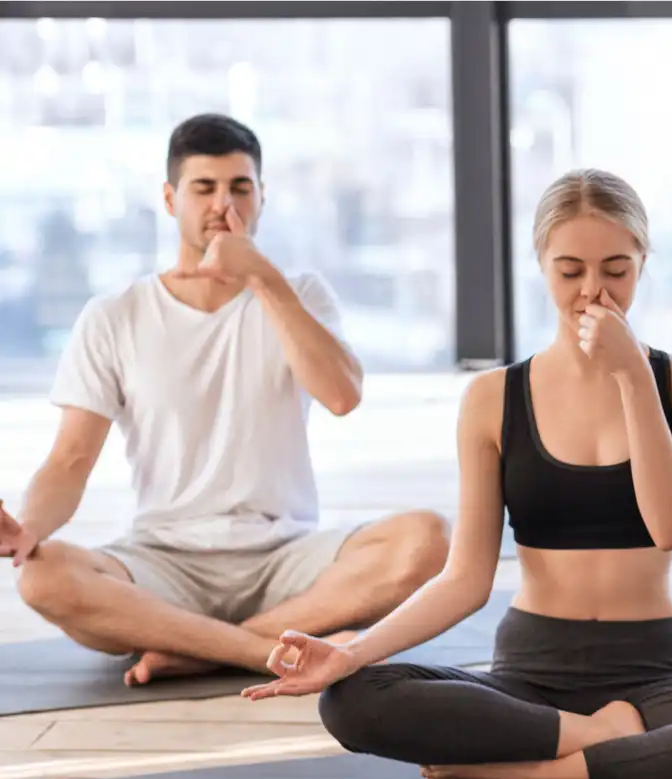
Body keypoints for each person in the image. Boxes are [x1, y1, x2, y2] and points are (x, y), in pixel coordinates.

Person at [239, 169, 672, 779]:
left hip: (652, 674)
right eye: (570, 270)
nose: (593, 292)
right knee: (353, 700)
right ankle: (600, 743)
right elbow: (465, 579)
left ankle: (542, 771)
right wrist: (353, 653)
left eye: (616, 269)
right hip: (530, 673)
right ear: (542, 265)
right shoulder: (492, 397)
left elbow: (671, 527)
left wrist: (632, 376)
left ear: (642, 263)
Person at [0, 113, 447, 686]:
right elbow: (69, 460)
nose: (222, 204)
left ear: (262, 196)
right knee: (42, 578)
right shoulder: (115, 315)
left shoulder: (299, 292)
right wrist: (28, 526)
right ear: (170, 199)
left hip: (285, 556)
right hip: (164, 562)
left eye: (240, 187)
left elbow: (341, 395)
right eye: (204, 188)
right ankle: (263, 650)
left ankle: (198, 651)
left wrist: (262, 279)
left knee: (426, 539)